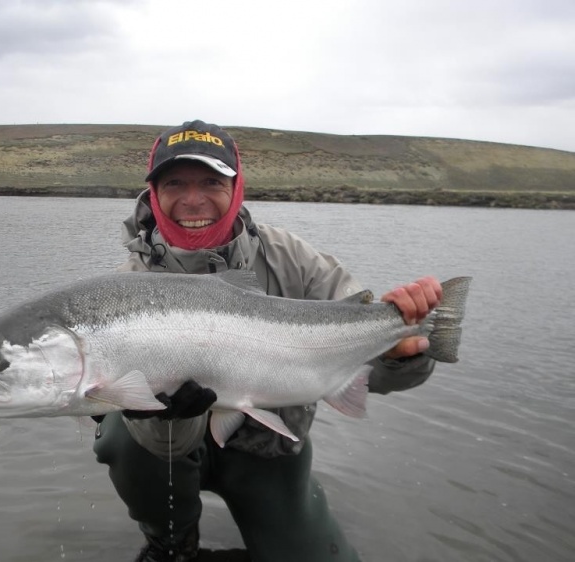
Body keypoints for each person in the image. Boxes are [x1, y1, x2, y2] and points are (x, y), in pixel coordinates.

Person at [93, 120, 442, 562]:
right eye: (175, 183)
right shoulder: (127, 287)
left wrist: (399, 353)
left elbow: (375, 368)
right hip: (170, 452)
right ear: (154, 194)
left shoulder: (293, 259)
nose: (193, 199)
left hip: (270, 447)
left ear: (237, 188)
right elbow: (154, 436)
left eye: (211, 182)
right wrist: (163, 417)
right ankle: (171, 542)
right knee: (118, 435)